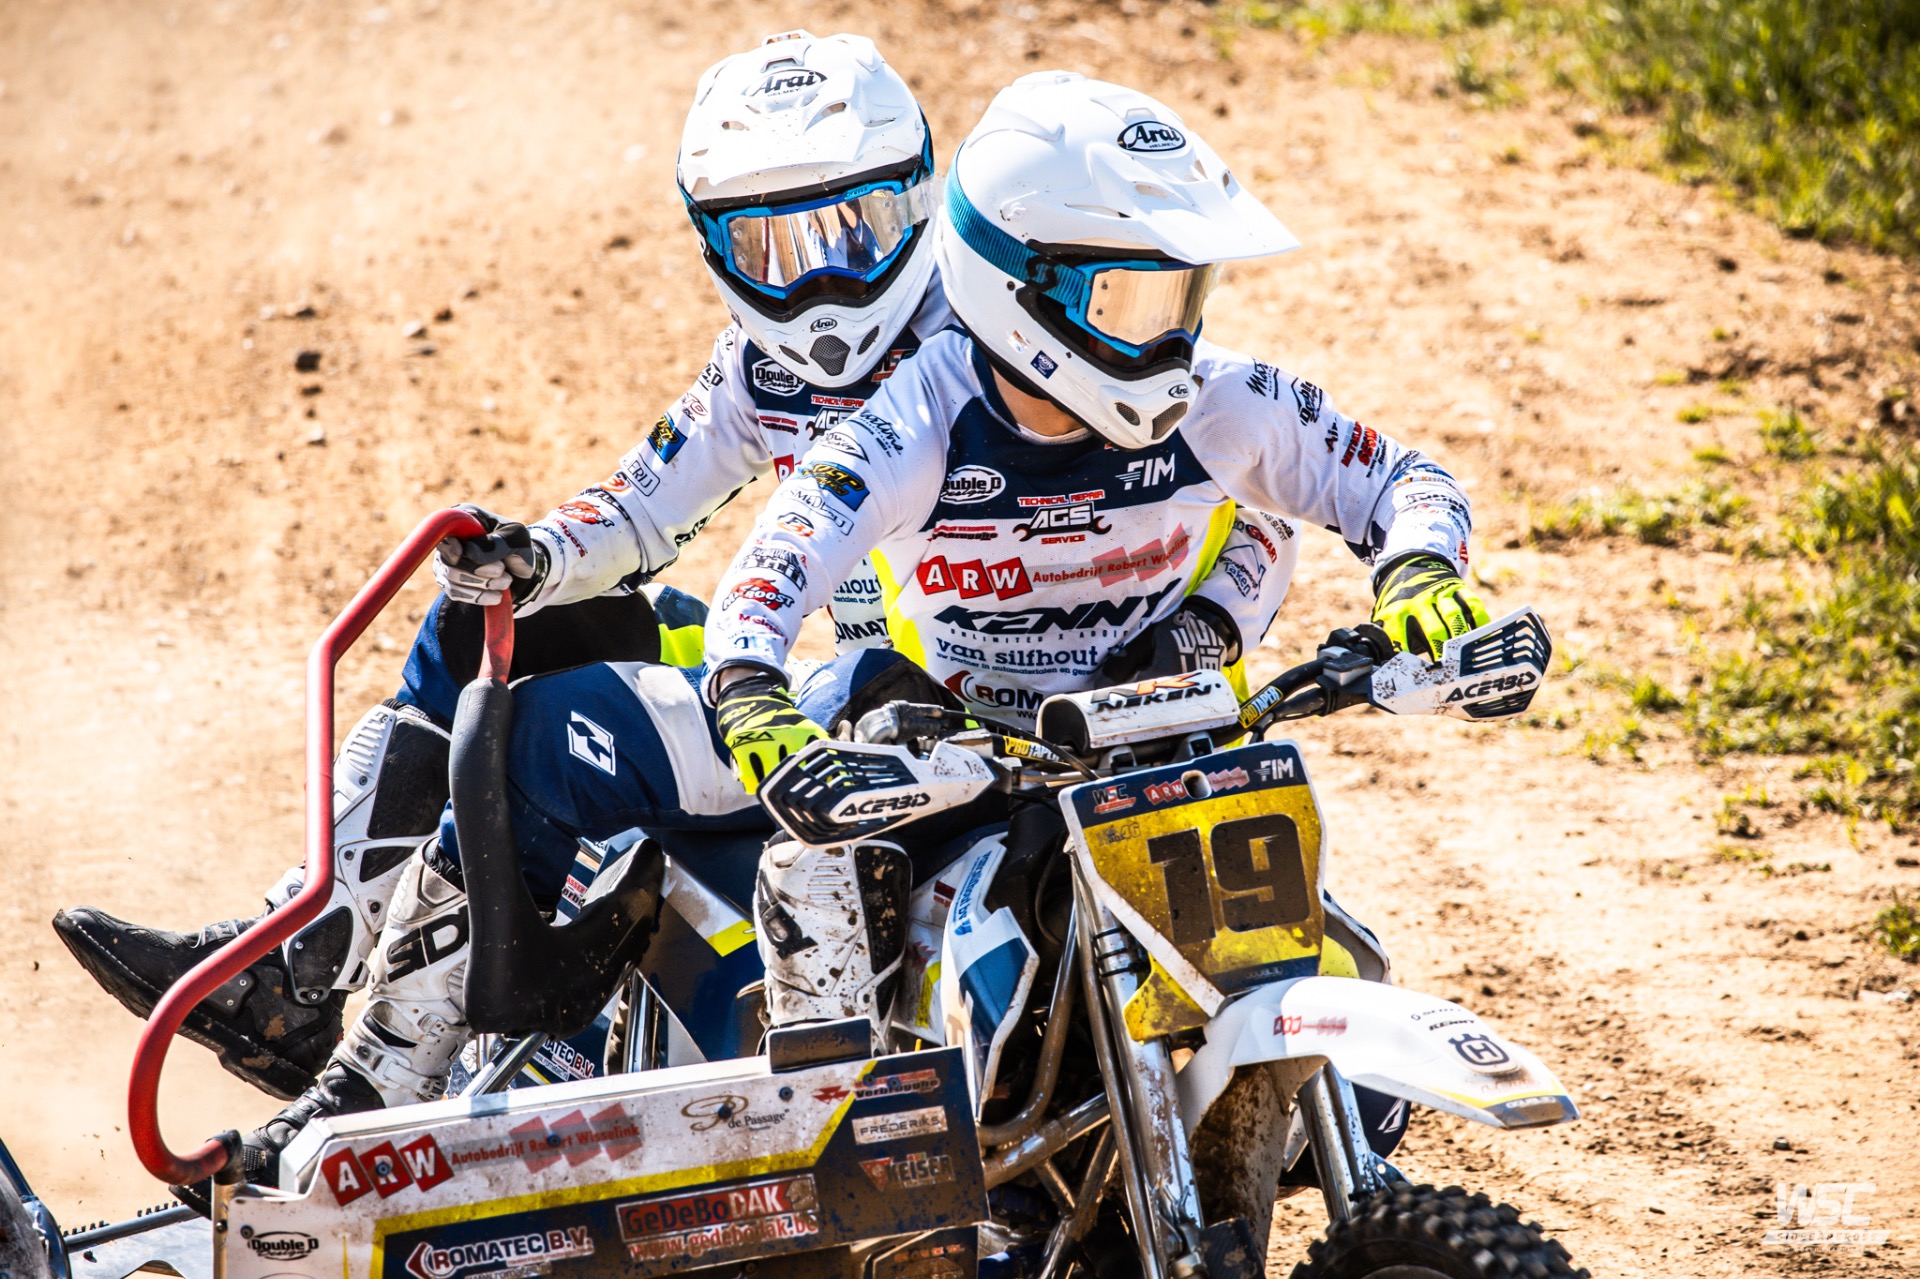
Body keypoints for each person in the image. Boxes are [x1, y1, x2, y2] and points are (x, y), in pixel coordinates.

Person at [50, 28, 954, 1104]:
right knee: (495, 623)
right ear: (715, 245)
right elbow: (642, 503)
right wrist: (535, 556)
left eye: (852, 231)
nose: (817, 286)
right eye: (771, 247)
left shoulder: (987, 346)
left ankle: (398, 1030)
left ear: (916, 201)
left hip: (886, 710)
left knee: (566, 714)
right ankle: (303, 956)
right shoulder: (761, 368)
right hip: (793, 687)